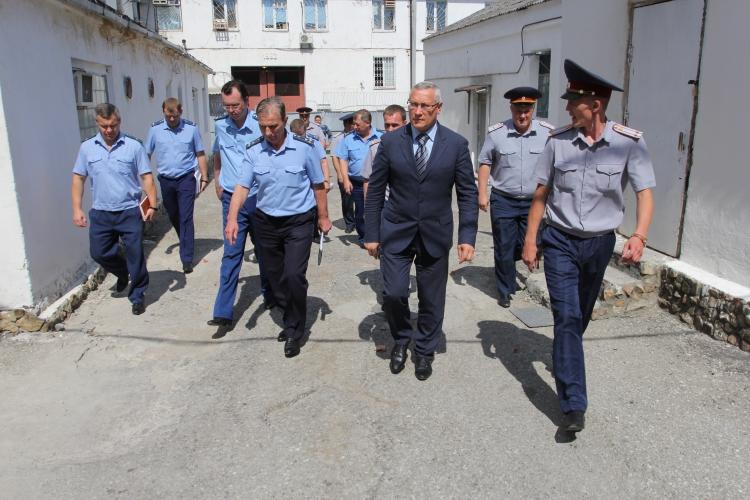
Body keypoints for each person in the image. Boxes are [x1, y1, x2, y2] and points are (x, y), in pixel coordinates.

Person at [522, 60, 656, 433]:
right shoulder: (557, 142)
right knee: (566, 317)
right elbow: (540, 195)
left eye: (573, 101)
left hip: (599, 244)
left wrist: (639, 236)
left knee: (577, 318)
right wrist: (531, 241)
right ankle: (573, 404)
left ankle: (566, 355)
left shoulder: (630, 143)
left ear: (594, 104)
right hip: (560, 239)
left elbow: (645, 192)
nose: (566, 107)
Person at [364, 82, 478, 380]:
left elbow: (467, 194)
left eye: (423, 106)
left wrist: (467, 237)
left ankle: (425, 350)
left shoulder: (456, 145)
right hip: (396, 231)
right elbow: (375, 191)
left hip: (435, 233)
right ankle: (401, 339)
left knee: (431, 297)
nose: (416, 112)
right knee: (393, 293)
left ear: (437, 109)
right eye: (412, 104)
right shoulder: (390, 143)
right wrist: (372, 233)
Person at [225, 97, 332, 358]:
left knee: (294, 275)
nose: (268, 132)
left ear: (285, 121)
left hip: (299, 221)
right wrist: (231, 218)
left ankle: (294, 329)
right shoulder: (253, 150)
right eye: (263, 127)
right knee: (275, 278)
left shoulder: (305, 147)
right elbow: (242, 187)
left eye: (273, 126)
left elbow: (318, 185)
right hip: (266, 222)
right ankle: (290, 314)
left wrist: (323, 217)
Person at [71, 103, 157, 315]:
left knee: (136, 254)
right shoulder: (87, 148)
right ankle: (121, 271)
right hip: (101, 212)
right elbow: (78, 178)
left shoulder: (133, 146)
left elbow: (146, 177)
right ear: (97, 124)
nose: (109, 130)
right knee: (99, 253)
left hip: (129, 211)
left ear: (119, 122)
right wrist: (77, 208)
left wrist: (153, 203)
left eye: (113, 125)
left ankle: (137, 295)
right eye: (104, 126)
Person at [477, 87, 554, 308]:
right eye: (518, 110)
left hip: (534, 202)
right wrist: (483, 192)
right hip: (504, 199)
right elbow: (485, 162)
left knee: (527, 244)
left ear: (533, 109)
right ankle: (504, 289)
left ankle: (510, 268)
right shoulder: (497, 133)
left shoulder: (548, 133)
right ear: (511, 109)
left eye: (527, 110)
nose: (522, 115)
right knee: (503, 245)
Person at [208, 80, 271, 328]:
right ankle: (223, 311)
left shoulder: (260, 125)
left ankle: (270, 294)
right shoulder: (220, 126)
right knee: (231, 253)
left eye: (235, 105)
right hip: (231, 199)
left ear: (247, 102)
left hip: (259, 197)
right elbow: (218, 153)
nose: (231, 110)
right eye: (227, 106)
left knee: (265, 250)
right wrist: (217, 180)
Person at [145, 97, 209, 274]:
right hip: (165, 179)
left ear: (180, 112)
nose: (172, 119)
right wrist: (144, 178)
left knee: (186, 216)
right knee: (173, 214)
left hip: (186, 179)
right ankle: (186, 239)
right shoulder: (155, 130)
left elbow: (200, 153)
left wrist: (204, 177)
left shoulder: (191, 129)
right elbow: (145, 154)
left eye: (174, 116)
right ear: (164, 112)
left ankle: (186, 258)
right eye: (168, 116)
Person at [335, 109, 382, 247]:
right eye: (354, 124)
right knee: (361, 212)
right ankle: (363, 237)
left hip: (376, 183)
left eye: (357, 124)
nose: (354, 127)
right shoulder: (348, 139)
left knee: (378, 210)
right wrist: (345, 179)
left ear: (368, 123)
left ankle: (378, 237)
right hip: (356, 182)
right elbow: (343, 159)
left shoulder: (381, 137)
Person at [362, 104, 408, 198]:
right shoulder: (375, 148)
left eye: (395, 125)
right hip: (384, 205)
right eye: (387, 125)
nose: (390, 129)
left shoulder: (414, 147)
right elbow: (367, 180)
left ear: (405, 124)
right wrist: (369, 209)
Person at [289, 118, 331, 192]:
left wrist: (326, 181)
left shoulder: (314, 142)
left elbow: (323, 161)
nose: (298, 139)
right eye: (295, 135)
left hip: (314, 181)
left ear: (305, 130)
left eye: (300, 135)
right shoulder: (287, 144)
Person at [330, 113, 355, 233]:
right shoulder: (338, 138)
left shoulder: (358, 136)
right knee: (347, 201)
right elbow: (334, 157)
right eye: (351, 123)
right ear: (346, 124)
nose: (353, 126)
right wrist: (339, 174)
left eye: (354, 123)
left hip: (357, 173)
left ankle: (361, 221)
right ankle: (349, 223)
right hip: (345, 174)